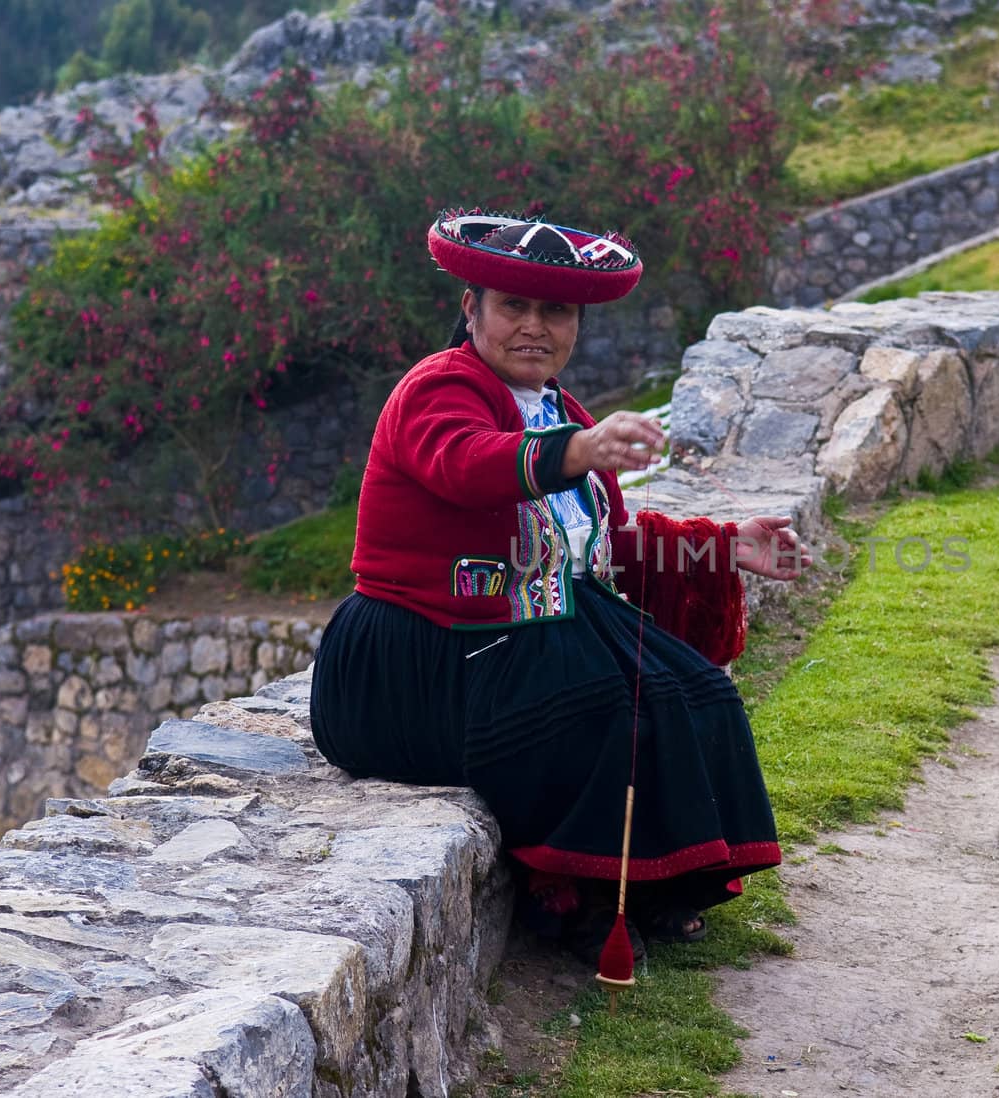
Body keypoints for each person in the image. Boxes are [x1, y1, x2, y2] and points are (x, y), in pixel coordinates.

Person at [310, 209, 810, 962]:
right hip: (413, 660)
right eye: (514, 305)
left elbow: (594, 546)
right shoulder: (436, 391)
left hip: (509, 640)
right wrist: (578, 448)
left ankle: (655, 882)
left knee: (692, 689)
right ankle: (568, 895)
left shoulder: (556, 410)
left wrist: (723, 546)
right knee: (591, 700)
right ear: (471, 308)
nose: (534, 326)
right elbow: (469, 463)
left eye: (556, 310)